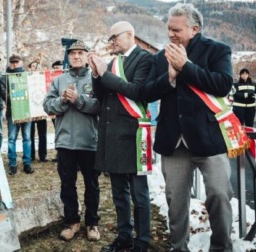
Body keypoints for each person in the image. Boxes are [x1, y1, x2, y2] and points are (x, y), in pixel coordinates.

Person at [144, 3, 234, 251]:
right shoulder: (159, 57)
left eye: (176, 30)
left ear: (194, 29)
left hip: (209, 138)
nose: (171, 34)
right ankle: (179, 247)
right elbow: (148, 92)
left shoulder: (217, 51)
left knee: (219, 195)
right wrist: (170, 77)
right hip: (172, 140)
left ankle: (222, 247)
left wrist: (186, 68)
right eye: (169, 29)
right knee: (175, 201)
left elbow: (223, 84)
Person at [88, 21, 152, 252]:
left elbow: (137, 91)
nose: (111, 41)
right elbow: (101, 95)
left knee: (139, 194)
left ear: (129, 34)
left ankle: (142, 240)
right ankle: (124, 235)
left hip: (133, 134)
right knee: (118, 193)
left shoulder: (144, 58)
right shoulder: (114, 62)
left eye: (114, 37)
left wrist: (105, 74)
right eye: (110, 38)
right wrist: (97, 74)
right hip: (112, 134)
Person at [43, 40, 101, 242]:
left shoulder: (95, 78)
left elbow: (99, 106)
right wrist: (62, 100)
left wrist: (78, 99)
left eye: (80, 53)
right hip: (65, 142)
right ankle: (72, 222)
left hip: (90, 142)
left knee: (91, 185)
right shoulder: (59, 80)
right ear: (68, 57)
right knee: (67, 185)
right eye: (73, 53)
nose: (76, 56)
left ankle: (92, 223)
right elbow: (47, 106)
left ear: (86, 56)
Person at [1, 54, 33, 175]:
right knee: (11, 139)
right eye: (12, 62)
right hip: (12, 112)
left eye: (16, 62)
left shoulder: (27, 76)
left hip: (26, 111)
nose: (14, 64)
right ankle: (12, 164)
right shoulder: (5, 77)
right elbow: (3, 93)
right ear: (10, 63)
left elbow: (32, 90)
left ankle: (27, 163)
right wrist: (16, 98)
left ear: (21, 62)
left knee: (27, 138)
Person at [28, 59, 48, 162]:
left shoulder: (43, 78)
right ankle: (31, 155)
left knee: (42, 134)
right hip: (31, 110)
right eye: (33, 66)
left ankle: (43, 155)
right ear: (29, 68)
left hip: (41, 110)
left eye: (37, 66)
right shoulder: (26, 78)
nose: (35, 68)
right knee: (30, 134)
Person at [50, 60, 64, 162]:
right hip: (55, 109)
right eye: (55, 68)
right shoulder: (52, 79)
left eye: (59, 67)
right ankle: (59, 154)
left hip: (64, 111)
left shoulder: (65, 79)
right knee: (58, 132)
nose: (57, 69)